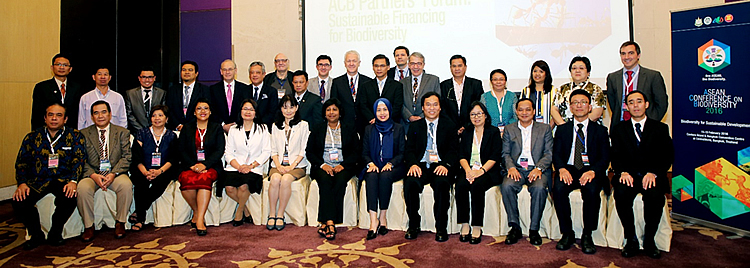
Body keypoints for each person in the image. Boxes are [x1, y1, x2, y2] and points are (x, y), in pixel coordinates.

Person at [610, 91, 673, 259]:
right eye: (631, 102)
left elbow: (667, 155)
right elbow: (614, 155)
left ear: (646, 104)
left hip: (651, 176)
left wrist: (654, 173)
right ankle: (631, 238)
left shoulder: (660, 128)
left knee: (655, 196)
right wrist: (622, 171)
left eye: (639, 101)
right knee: (621, 193)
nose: (635, 105)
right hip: (628, 176)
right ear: (626, 106)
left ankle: (650, 239)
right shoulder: (619, 129)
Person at [14, 104, 85, 249]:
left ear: (65, 119)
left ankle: (55, 232)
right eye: (51, 115)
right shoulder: (32, 137)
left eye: (59, 115)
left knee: (69, 197)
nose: (54, 118)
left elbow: (79, 160)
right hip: (38, 180)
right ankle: (36, 234)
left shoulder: (75, 136)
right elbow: (21, 162)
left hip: (62, 180)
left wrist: (73, 181)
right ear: (45, 118)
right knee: (19, 201)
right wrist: (22, 183)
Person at [551, 90, 610, 254]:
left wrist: (593, 171)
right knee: (559, 189)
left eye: (583, 102)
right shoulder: (562, 129)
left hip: (590, 170)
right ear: (570, 107)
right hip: (568, 168)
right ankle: (567, 233)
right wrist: (561, 168)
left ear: (590, 106)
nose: (579, 105)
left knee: (591, 191)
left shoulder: (600, 131)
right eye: (575, 102)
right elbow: (556, 153)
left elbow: (605, 157)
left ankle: (587, 234)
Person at [403, 92, 458, 242]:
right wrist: (413, 164)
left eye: (435, 104)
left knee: (442, 184)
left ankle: (441, 227)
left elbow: (454, 151)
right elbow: (409, 150)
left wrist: (446, 165)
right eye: (428, 104)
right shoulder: (415, 126)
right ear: (422, 107)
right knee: (410, 183)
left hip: (440, 165)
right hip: (420, 165)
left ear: (440, 107)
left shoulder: (449, 125)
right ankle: (414, 224)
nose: (431, 108)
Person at [501, 98, 553, 246]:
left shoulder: (545, 129)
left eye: (528, 109)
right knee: (507, 186)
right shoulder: (509, 129)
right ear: (516, 112)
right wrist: (510, 167)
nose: (524, 113)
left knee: (538, 188)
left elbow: (548, 154)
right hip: (516, 169)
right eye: (521, 110)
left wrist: (538, 168)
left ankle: (534, 229)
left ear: (534, 111)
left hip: (536, 169)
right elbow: (505, 153)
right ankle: (515, 227)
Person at [78, 100, 133, 241]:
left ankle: (120, 222)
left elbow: (127, 157)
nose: (100, 116)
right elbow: (80, 159)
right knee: (83, 188)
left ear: (110, 114)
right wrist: (93, 175)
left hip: (115, 173)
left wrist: (113, 174)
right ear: (91, 116)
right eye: (96, 113)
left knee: (126, 185)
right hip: (93, 174)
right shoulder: (83, 134)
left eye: (103, 112)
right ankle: (89, 226)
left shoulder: (122, 132)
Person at [308, 99, 360, 240]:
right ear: (324, 113)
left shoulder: (349, 128)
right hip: (322, 166)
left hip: (343, 166)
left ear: (340, 112)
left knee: (339, 181)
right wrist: (322, 165)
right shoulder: (318, 129)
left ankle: (325, 222)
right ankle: (331, 222)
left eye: (334, 109)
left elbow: (356, 151)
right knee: (325, 181)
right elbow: (310, 152)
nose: (331, 113)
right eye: (328, 110)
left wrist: (343, 165)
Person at [175, 98, 225, 236]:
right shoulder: (187, 128)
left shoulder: (216, 128)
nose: (202, 111)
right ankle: (197, 211)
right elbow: (181, 150)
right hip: (189, 165)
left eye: (205, 108)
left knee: (204, 179)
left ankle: (200, 220)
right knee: (185, 179)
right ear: (194, 112)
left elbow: (219, 150)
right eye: (199, 108)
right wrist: (192, 165)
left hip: (211, 166)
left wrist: (205, 164)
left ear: (210, 111)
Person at [455, 101, 503, 244]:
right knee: (461, 185)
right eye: (473, 114)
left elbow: (495, 156)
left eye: (479, 113)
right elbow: (461, 155)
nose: (476, 117)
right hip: (469, 169)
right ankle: (464, 224)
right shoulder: (467, 132)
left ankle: (476, 226)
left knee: (477, 186)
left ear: (485, 115)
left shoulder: (493, 132)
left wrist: (480, 171)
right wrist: (468, 171)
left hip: (488, 170)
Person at [128, 105, 178, 231]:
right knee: (141, 184)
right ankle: (141, 217)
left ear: (166, 119)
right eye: (154, 115)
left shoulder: (171, 136)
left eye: (160, 115)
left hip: (163, 169)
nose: (157, 118)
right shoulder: (142, 133)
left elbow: (173, 159)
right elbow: (137, 157)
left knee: (160, 183)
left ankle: (139, 214)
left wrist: (159, 171)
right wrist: (145, 172)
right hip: (142, 168)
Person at [362, 98, 405, 240]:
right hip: (374, 165)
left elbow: (401, 153)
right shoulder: (369, 129)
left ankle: (383, 216)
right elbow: (364, 153)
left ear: (390, 111)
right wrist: (370, 164)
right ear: (374, 112)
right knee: (372, 176)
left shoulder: (398, 128)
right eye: (379, 110)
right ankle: (373, 221)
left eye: (385, 109)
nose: (382, 113)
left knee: (385, 175)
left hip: (394, 166)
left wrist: (391, 163)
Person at [224, 99, 271, 226]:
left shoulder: (263, 128)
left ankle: (239, 213)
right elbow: (228, 153)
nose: (248, 112)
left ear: (256, 113)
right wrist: (239, 166)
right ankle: (246, 210)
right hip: (235, 167)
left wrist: (250, 166)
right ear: (240, 112)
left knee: (244, 186)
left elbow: (266, 152)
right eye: (245, 109)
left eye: (251, 109)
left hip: (254, 168)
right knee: (229, 188)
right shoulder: (233, 129)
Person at [267, 95, 310, 231]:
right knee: (274, 179)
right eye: (285, 107)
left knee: (285, 180)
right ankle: (272, 214)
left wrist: (291, 166)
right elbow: (273, 149)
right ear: (281, 109)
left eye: (291, 107)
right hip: (278, 164)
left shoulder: (303, 125)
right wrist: (278, 166)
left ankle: (280, 215)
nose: (288, 110)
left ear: (296, 108)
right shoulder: (275, 126)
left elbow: (303, 150)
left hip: (297, 165)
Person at [606, 41, 669, 128]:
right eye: (623, 54)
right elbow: (613, 104)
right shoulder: (612, 77)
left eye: (631, 53)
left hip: (646, 127)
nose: (626, 57)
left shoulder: (653, 76)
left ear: (638, 55)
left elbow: (661, 104)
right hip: (620, 127)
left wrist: (652, 123)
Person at [31, 54, 82, 130]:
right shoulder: (42, 87)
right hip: (48, 131)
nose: (61, 67)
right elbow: (36, 114)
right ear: (52, 67)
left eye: (65, 65)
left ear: (70, 69)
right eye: (58, 64)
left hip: (71, 132)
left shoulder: (77, 88)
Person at [552, 56, 606, 125]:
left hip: (588, 130)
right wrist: (564, 126)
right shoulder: (562, 89)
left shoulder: (596, 89)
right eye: (574, 68)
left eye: (581, 68)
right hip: (565, 130)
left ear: (588, 72)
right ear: (570, 72)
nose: (577, 71)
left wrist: (577, 125)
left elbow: (597, 113)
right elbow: (554, 110)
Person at [330, 50, 373, 133]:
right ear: (344, 63)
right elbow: (334, 104)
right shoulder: (337, 82)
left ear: (359, 63)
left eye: (354, 61)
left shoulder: (368, 81)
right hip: (344, 124)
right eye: (348, 61)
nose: (351, 64)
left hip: (364, 124)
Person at [440, 55, 484, 134]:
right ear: (450, 68)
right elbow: (442, 109)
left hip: (471, 127)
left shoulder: (475, 84)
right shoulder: (443, 86)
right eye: (454, 66)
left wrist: (467, 125)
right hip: (450, 129)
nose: (457, 69)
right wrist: (452, 126)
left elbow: (478, 107)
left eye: (460, 66)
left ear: (465, 67)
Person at [358, 54, 404, 125]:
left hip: (391, 125)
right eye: (376, 66)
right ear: (373, 67)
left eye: (382, 66)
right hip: (371, 125)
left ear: (388, 67)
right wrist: (373, 119)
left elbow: (397, 106)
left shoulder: (397, 85)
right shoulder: (365, 86)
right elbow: (363, 105)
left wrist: (384, 118)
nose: (379, 69)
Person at [165, 60, 210, 131]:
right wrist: (178, 124)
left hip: (196, 129)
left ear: (196, 74)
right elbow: (169, 109)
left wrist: (189, 126)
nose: (187, 72)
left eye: (190, 70)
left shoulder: (204, 90)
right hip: (176, 129)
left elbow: (206, 110)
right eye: (184, 70)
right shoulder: (173, 90)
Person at [210, 59, 251, 133]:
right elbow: (212, 110)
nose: (227, 72)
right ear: (221, 72)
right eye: (224, 70)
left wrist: (236, 125)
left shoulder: (245, 88)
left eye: (230, 69)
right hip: (218, 129)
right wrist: (223, 125)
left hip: (240, 129)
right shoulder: (213, 89)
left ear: (235, 71)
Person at [401, 52, 441, 130]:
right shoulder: (402, 82)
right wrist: (409, 116)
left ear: (423, 65)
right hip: (406, 125)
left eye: (419, 63)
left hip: (427, 123)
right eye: (412, 63)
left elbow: (437, 102)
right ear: (409, 65)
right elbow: (400, 103)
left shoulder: (433, 80)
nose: (416, 67)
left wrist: (422, 117)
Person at [125, 66, 166, 133]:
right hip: (137, 132)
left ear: (154, 78)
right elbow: (129, 114)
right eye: (144, 77)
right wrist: (142, 130)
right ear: (139, 78)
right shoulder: (130, 94)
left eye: (150, 77)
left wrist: (153, 128)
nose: (147, 80)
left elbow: (163, 113)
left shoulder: (161, 93)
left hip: (157, 132)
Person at [521, 60, 557, 128]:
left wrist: (548, 129)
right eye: (535, 71)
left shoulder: (554, 91)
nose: (537, 74)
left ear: (546, 74)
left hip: (550, 131)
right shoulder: (526, 91)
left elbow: (557, 112)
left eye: (541, 71)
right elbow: (522, 111)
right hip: (529, 131)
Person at [480, 69, 518, 134]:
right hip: (490, 133)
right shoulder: (485, 97)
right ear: (491, 81)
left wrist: (507, 129)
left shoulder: (512, 96)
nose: (498, 82)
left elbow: (516, 116)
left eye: (501, 79)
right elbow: (483, 117)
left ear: (505, 81)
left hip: (510, 132)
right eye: (495, 80)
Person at [247, 61, 279, 127]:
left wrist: (258, 125)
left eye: (258, 72)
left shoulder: (271, 91)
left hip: (265, 128)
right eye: (252, 73)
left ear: (264, 74)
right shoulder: (244, 90)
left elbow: (272, 113)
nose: (254, 75)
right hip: (247, 127)